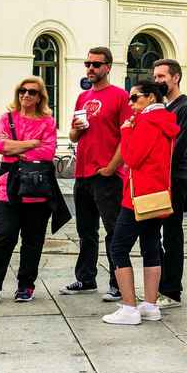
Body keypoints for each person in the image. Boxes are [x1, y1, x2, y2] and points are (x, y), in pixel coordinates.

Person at [103, 81, 178, 325]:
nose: (131, 103)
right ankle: (150, 304)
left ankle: (129, 307)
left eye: (135, 98)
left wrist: (126, 130)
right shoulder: (166, 120)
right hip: (157, 195)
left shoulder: (146, 121)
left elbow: (133, 157)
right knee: (150, 246)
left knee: (118, 247)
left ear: (151, 98)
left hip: (137, 197)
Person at [0, 76, 58, 304]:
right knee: (3, 237)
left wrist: (16, 149)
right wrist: (31, 143)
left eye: (32, 92)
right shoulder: (7, 118)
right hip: (8, 187)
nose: (26, 95)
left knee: (33, 240)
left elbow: (47, 152)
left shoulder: (47, 121)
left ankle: (26, 286)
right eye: (22, 91)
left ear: (40, 96)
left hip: (37, 188)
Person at [62, 46, 130, 301]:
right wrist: (76, 130)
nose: (90, 68)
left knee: (113, 231)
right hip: (82, 173)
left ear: (108, 67)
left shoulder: (120, 97)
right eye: (87, 64)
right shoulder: (82, 98)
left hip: (107, 175)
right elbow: (72, 135)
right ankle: (85, 278)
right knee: (85, 230)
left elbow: (127, 137)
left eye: (96, 64)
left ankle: (116, 282)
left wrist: (112, 167)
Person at [153, 58, 187, 309]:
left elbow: (178, 149)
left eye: (161, 77)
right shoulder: (165, 107)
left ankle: (171, 290)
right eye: (155, 77)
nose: (157, 81)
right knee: (155, 234)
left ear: (175, 77)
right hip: (160, 178)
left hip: (173, 179)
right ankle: (160, 285)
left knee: (172, 235)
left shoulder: (185, 107)